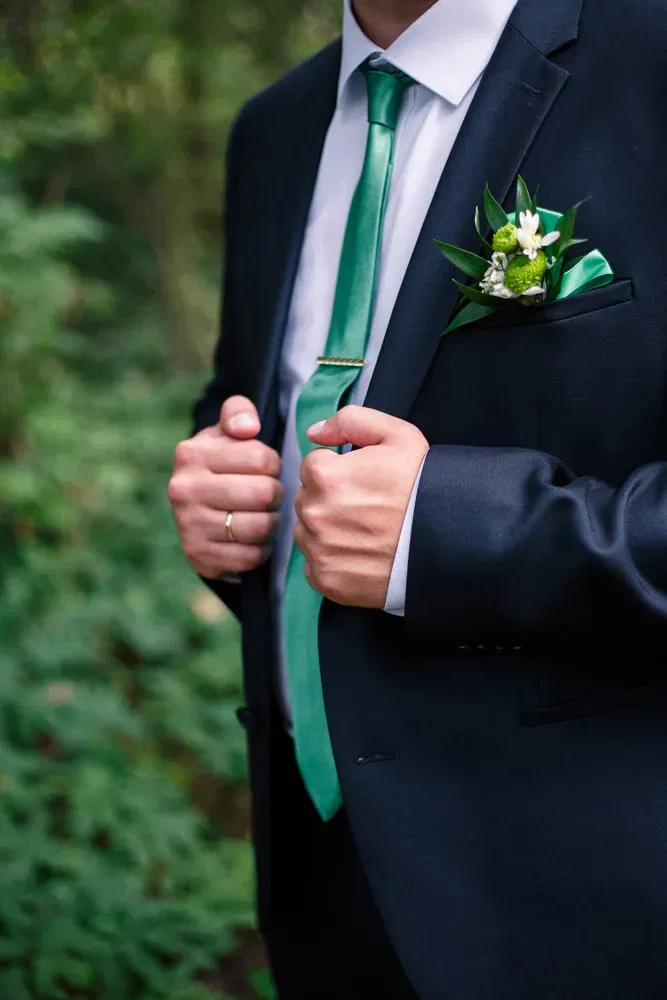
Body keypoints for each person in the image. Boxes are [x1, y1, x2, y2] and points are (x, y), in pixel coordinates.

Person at [168, 0, 667, 996]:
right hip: (324, 887)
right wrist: (235, 513)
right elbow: (260, 417)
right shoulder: (273, 131)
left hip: (595, 904)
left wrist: (448, 531)